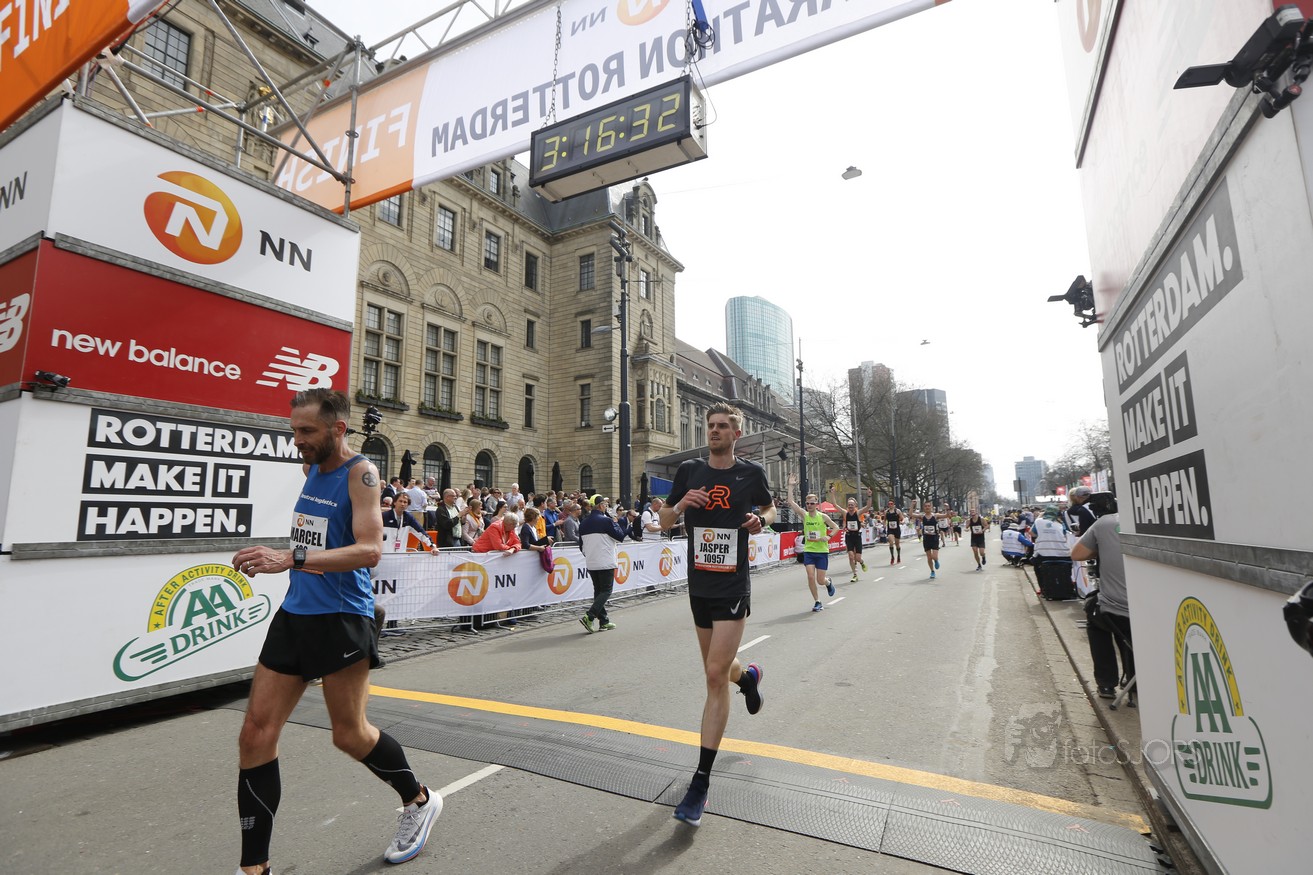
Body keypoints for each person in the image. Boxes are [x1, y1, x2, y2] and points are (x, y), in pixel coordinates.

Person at [230, 389, 440, 875]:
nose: (297, 440)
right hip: (295, 613)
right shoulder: (310, 470)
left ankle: (419, 800)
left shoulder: (361, 474)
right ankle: (254, 869)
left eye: (307, 431)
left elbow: (370, 550)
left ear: (338, 429)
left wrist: (291, 557)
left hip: (342, 617)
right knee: (255, 734)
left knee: (349, 735)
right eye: (294, 430)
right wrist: (286, 558)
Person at [659, 402, 774, 827]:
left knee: (712, 675)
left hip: (731, 585)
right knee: (719, 668)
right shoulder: (690, 471)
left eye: (723, 426)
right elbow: (664, 519)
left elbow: (770, 509)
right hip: (699, 585)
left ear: (736, 434)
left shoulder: (750, 473)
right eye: (711, 425)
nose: (714, 431)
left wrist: (760, 521)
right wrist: (680, 506)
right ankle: (747, 679)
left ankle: (700, 782)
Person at [1071, 501, 1132, 700]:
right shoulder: (1149, 520)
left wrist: (1102, 549)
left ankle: (1106, 683)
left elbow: (1077, 554)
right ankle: (1133, 678)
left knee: (1096, 616)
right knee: (1128, 630)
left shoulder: (1104, 523)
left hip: (1116, 608)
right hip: (1151, 609)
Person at [784, 474, 840, 610]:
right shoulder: (804, 515)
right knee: (810, 576)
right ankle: (817, 601)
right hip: (809, 550)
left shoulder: (823, 517)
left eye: (812, 503)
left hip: (821, 551)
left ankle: (828, 582)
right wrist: (790, 486)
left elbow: (836, 527)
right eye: (807, 503)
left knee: (820, 580)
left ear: (816, 504)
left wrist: (829, 536)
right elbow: (791, 502)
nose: (809, 505)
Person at [578, 496, 629, 632]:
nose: (606, 506)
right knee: (606, 591)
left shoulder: (583, 522)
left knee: (598, 591)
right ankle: (590, 616)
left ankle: (604, 621)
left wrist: (589, 555)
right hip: (605, 560)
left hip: (591, 561)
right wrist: (617, 522)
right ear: (600, 505)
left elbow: (581, 546)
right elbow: (620, 536)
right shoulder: (606, 520)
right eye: (605, 504)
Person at [836, 487, 873, 583]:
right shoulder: (845, 513)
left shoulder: (858, 513)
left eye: (852, 505)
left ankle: (862, 562)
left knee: (857, 558)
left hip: (857, 536)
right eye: (849, 505)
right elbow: (835, 505)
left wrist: (869, 496)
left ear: (855, 505)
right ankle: (855, 574)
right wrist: (832, 494)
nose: (850, 506)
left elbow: (868, 506)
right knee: (851, 556)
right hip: (849, 536)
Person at [917, 502, 951, 579]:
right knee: (929, 557)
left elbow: (947, 515)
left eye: (929, 506)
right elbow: (911, 514)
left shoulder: (935, 516)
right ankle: (932, 571)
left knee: (934, 556)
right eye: (926, 506)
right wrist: (912, 505)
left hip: (934, 538)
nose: (927, 507)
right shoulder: (922, 516)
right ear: (924, 507)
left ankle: (936, 560)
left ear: (931, 507)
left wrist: (947, 508)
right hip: (926, 538)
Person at [884, 500, 904, 565]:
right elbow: (884, 520)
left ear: (894, 504)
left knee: (897, 544)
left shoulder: (897, 511)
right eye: (889, 504)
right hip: (890, 529)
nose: (890, 505)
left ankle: (898, 556)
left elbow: (902, 518)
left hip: (897, 529)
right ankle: (892, 556)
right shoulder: (886, 512)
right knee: (891, 542)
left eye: (891, 504)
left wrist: (900, 520)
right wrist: (884, 524)